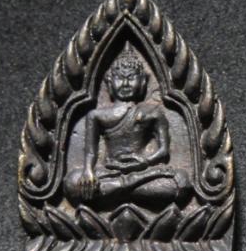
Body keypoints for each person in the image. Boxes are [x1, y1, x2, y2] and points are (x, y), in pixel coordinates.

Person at [64, 42, 191, 207]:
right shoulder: (96, 115)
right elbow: (90, 152)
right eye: (120, 78)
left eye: (131, 78)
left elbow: (163, 151)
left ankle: (120, 190)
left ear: (142, 82)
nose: (125, 84)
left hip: (143, 170)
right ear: (110, 82)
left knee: (181, 182)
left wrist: (144, 162)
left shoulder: (153, 112)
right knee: (72, 183)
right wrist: (88, 171)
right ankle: (130, 187)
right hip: (109, 172)